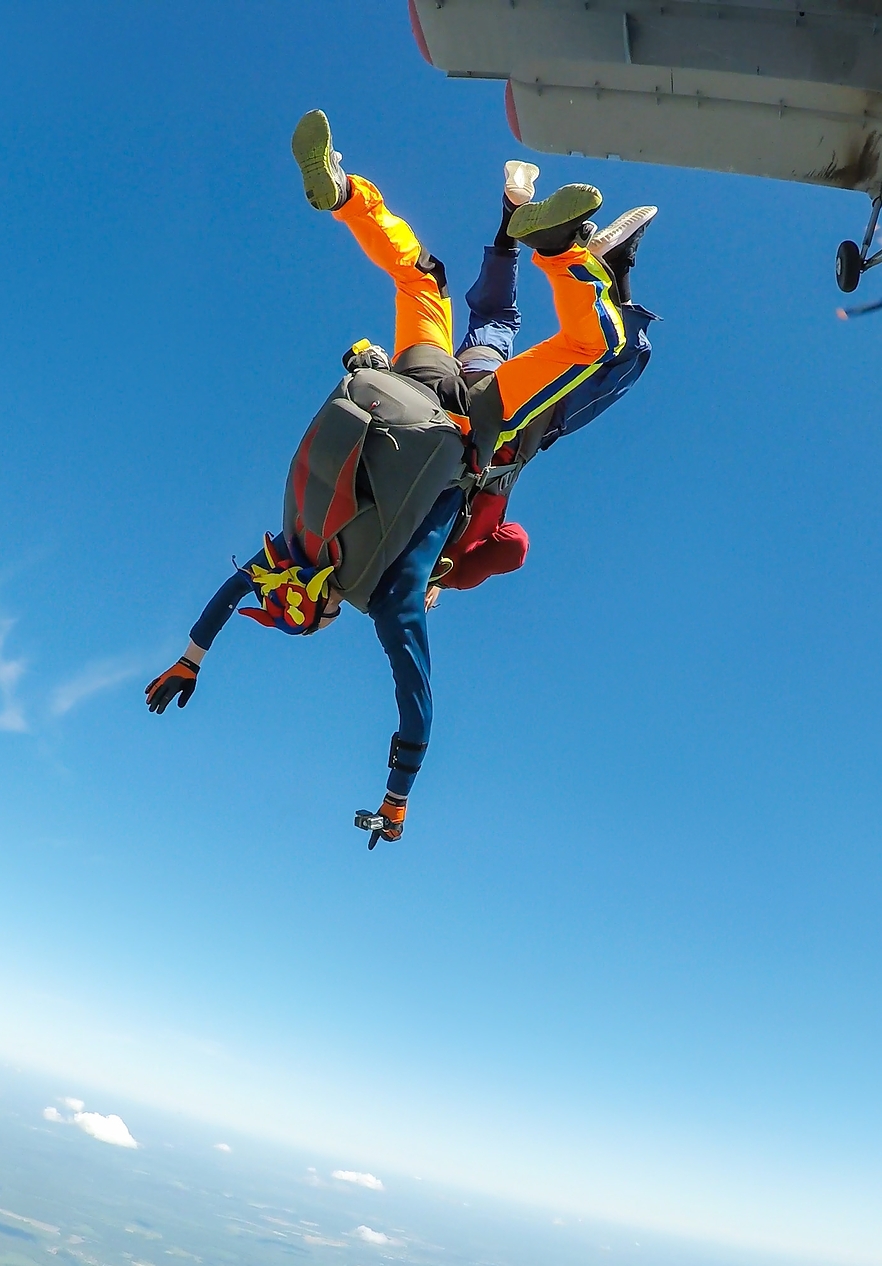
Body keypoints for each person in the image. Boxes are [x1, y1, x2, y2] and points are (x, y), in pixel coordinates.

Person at [147, 110, 642, 846]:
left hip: (472, 421)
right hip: (409, 379)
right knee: (420, 274)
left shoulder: (388, 599)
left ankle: (559, 250)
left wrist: (397, 799)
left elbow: (417, 708)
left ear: (321, 612)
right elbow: (228, 594)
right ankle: (344, 192)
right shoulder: (289, 547)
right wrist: (190, 659)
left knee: (590, 346)